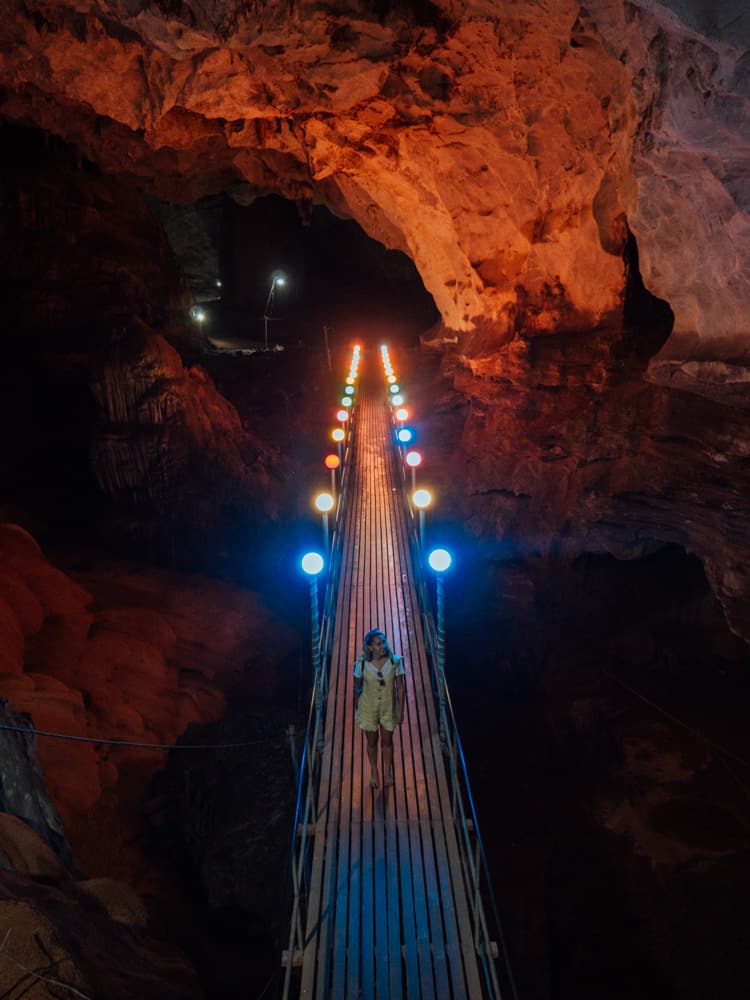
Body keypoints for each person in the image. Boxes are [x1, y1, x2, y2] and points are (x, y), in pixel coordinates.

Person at [353, 628, 406, 789]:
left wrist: (400, 710)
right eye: (378, 644)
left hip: (388, 707)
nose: (382, 646)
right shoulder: (362, 664)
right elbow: (356, 687)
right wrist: (358, 708)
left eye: (383, 642)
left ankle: (387, 772)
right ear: (369, 647)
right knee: (372, 742)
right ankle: (374, 771)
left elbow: (401, 688)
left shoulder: (394, 661)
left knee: (387, 742)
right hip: (368, 708)